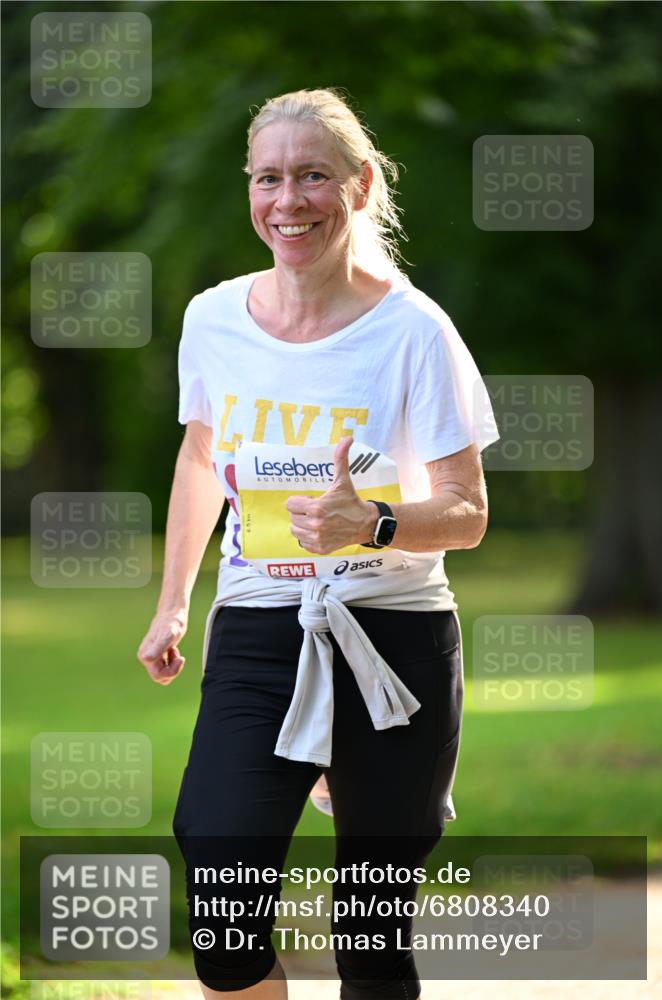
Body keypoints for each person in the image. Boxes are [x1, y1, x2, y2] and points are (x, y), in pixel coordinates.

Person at [137, 87, 499, 1000]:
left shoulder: (414, 332)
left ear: (360, 185)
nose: (286, 199)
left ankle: (343, 768)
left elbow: (466, 510)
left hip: (392, 639)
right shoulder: (212, 319)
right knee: (220, 886)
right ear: (249, 190)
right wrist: (174, 600)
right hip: (261, 624)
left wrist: (371, 522)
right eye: (268, 177)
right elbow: (198, 457)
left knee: (370, 941)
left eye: (312, 176)